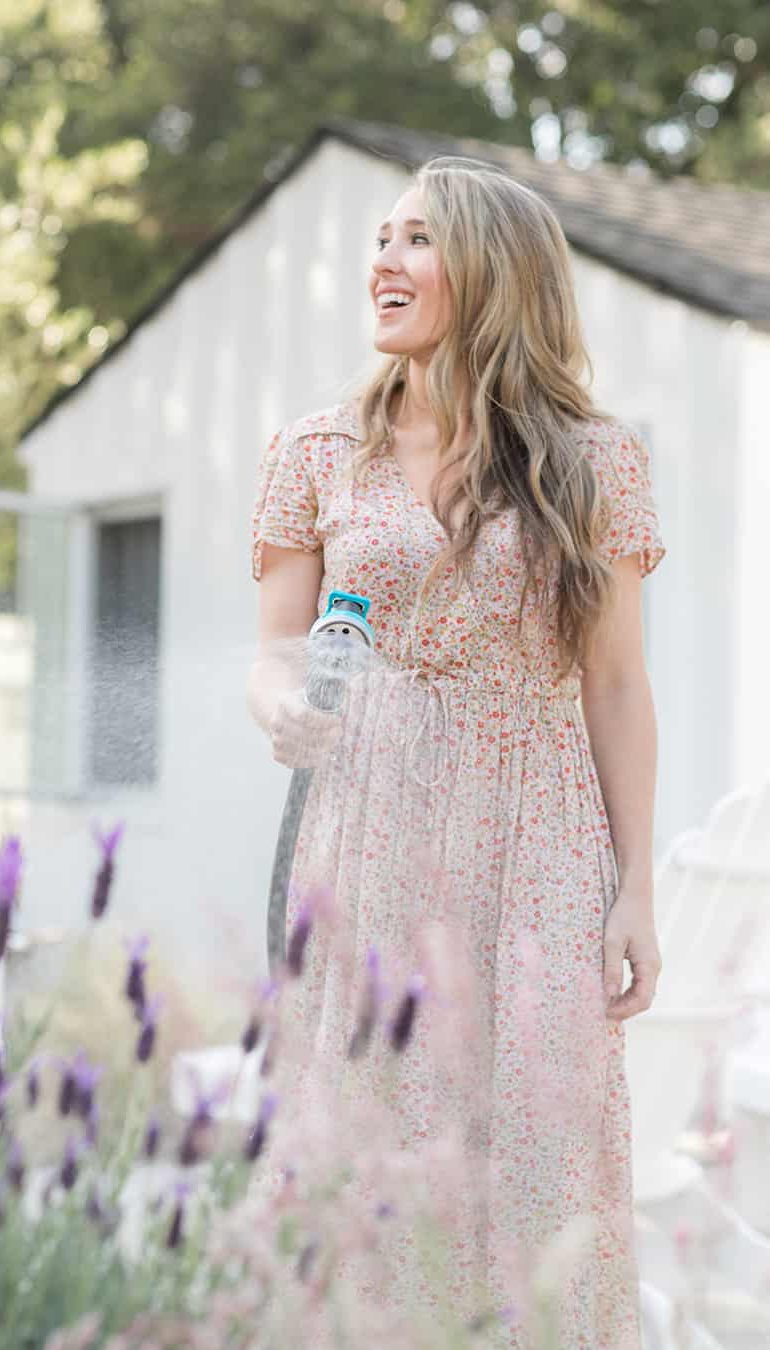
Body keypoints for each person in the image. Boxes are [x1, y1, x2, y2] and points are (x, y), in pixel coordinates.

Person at [246, 155, 665, 1349]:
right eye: (380, 238)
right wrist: (278, 705)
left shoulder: (596, 459)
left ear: (491, 274)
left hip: (537, 841)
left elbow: (620, 684)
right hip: (367, 836)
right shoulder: (318, 450)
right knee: (368, 1147)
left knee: (536, 1152)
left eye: (415, 241)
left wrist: (635, 888)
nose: (382, 260)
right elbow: (273, 652)